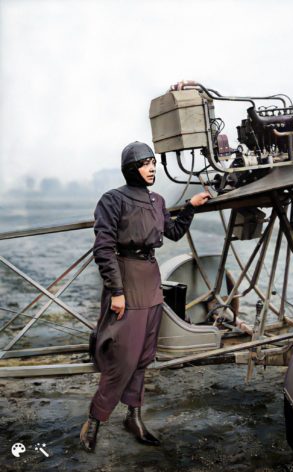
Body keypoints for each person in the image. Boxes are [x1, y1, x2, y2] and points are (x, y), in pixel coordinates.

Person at [80, 141, 210, 452]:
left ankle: (133, 417)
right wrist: (116, 292)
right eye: (145, 163)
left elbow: (174, 233)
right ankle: (94, 420)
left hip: (151, 281)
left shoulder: (157, 200)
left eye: (153, 163)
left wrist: (190, 206)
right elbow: (103, 248)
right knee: (123, 358)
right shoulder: (112, 200)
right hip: (126, 282)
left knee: (143, 356)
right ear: (130, 169)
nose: (152, 168)